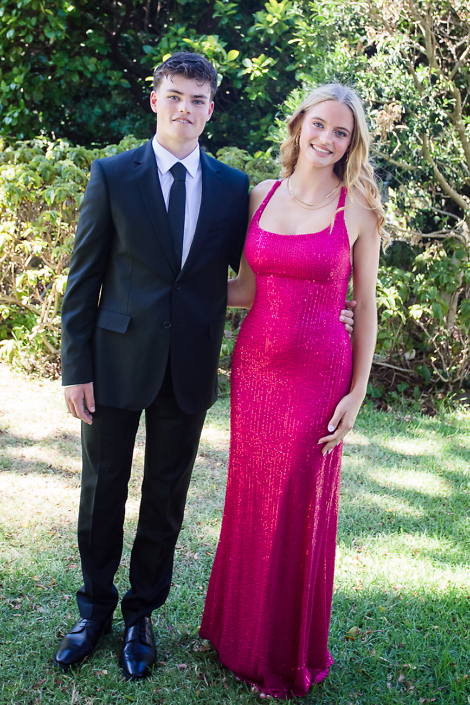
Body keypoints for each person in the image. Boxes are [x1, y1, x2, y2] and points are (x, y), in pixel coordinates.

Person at [54, 54, 355, 680]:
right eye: (174, 96)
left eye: (197, 99)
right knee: (102, 491)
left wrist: (322, 306)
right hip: (113, 364)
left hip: (188, 368)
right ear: (155, 100)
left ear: (210, 109)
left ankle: (141, 616)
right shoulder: (113, 175)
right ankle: (94, 610)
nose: (184, 108)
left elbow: (249, 277)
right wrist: (74, 367)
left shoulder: (231, 188)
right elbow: (83, 281)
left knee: (165, 499)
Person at [200, 83, 384, 699]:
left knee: (295, 504)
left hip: (319, 376)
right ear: (300, 123)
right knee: (251, 496)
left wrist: (357, 393)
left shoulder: (357, 208)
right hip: (255, 371)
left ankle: (283, 652)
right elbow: (246, 290)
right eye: (320, 125)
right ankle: (236, 637)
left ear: (351, 144)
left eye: (342, 133)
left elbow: (366, 306)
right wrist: (171, 288)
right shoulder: (261, 194)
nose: (327, 139)